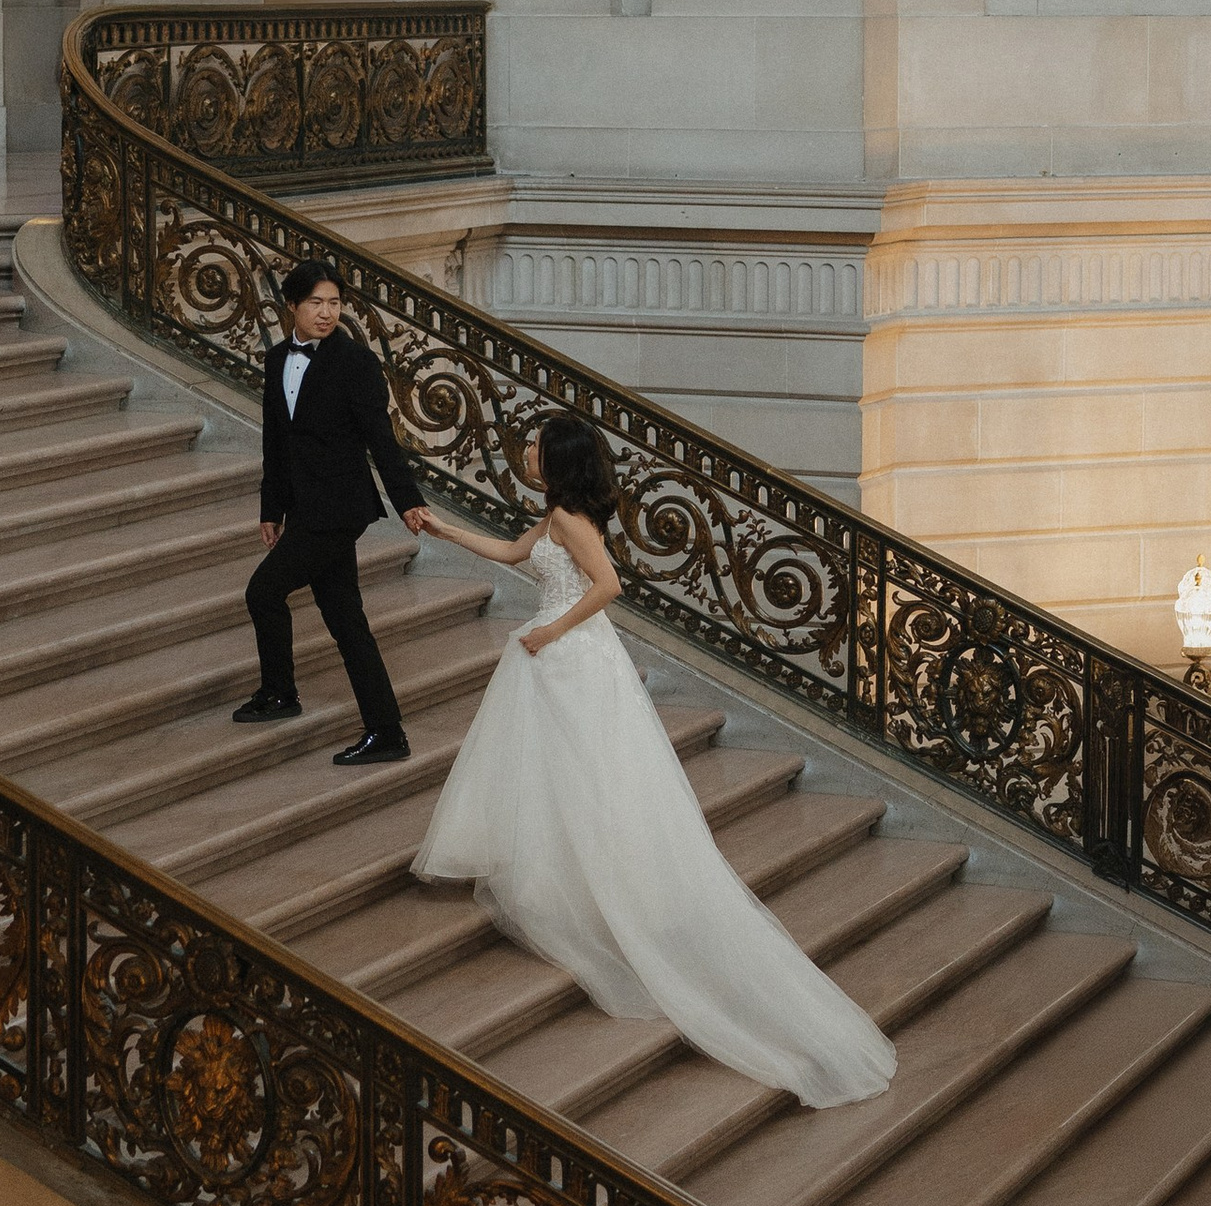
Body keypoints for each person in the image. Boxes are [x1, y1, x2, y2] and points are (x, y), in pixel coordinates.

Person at [413, 413, 896, 1108]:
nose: (525, 450)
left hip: (572, 656)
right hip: (559, 657)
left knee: (590, 776)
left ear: (558, 458)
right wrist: (443, 528)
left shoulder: (574, 522)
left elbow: (609, 586)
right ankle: (569, 869)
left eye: (536, 444)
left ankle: (608, 886)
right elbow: (512, 553)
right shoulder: (554, 515)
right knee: (559, 776)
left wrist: (550, 629)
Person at [237, 255, 428, 768]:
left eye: (335, 303)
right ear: (292, 307)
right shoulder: (278, 359)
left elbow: (379, 438)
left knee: (263, 591)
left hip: (339, 508)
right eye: (316, 303)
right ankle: (386, 732)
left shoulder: (356, 362)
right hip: (303, 506)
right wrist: (271, 507)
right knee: (346, 620)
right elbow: (276, 440)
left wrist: (407, 499)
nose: (326, 313)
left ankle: (281, 692)